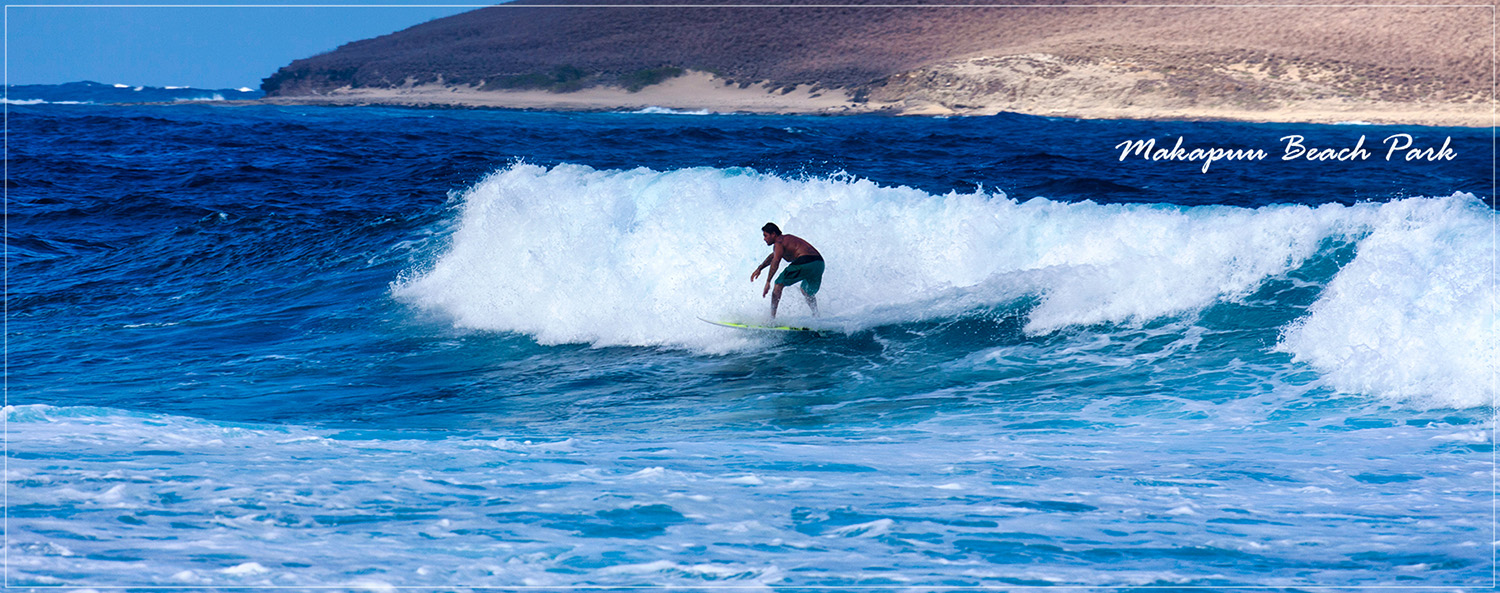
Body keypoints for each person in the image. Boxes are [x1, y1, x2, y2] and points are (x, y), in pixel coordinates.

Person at [750, 222, 824, 318]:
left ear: (773, 234)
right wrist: (760, 268)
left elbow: (776, 260)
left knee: (778, 284)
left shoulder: (778, 243)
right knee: (806, 290)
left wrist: (768, 281)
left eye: (765, 236)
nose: (764, 239)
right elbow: (773, 256)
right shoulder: (787, 240)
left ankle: (771, 319)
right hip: (819, 263)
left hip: (805, 261)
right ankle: (816, 315)